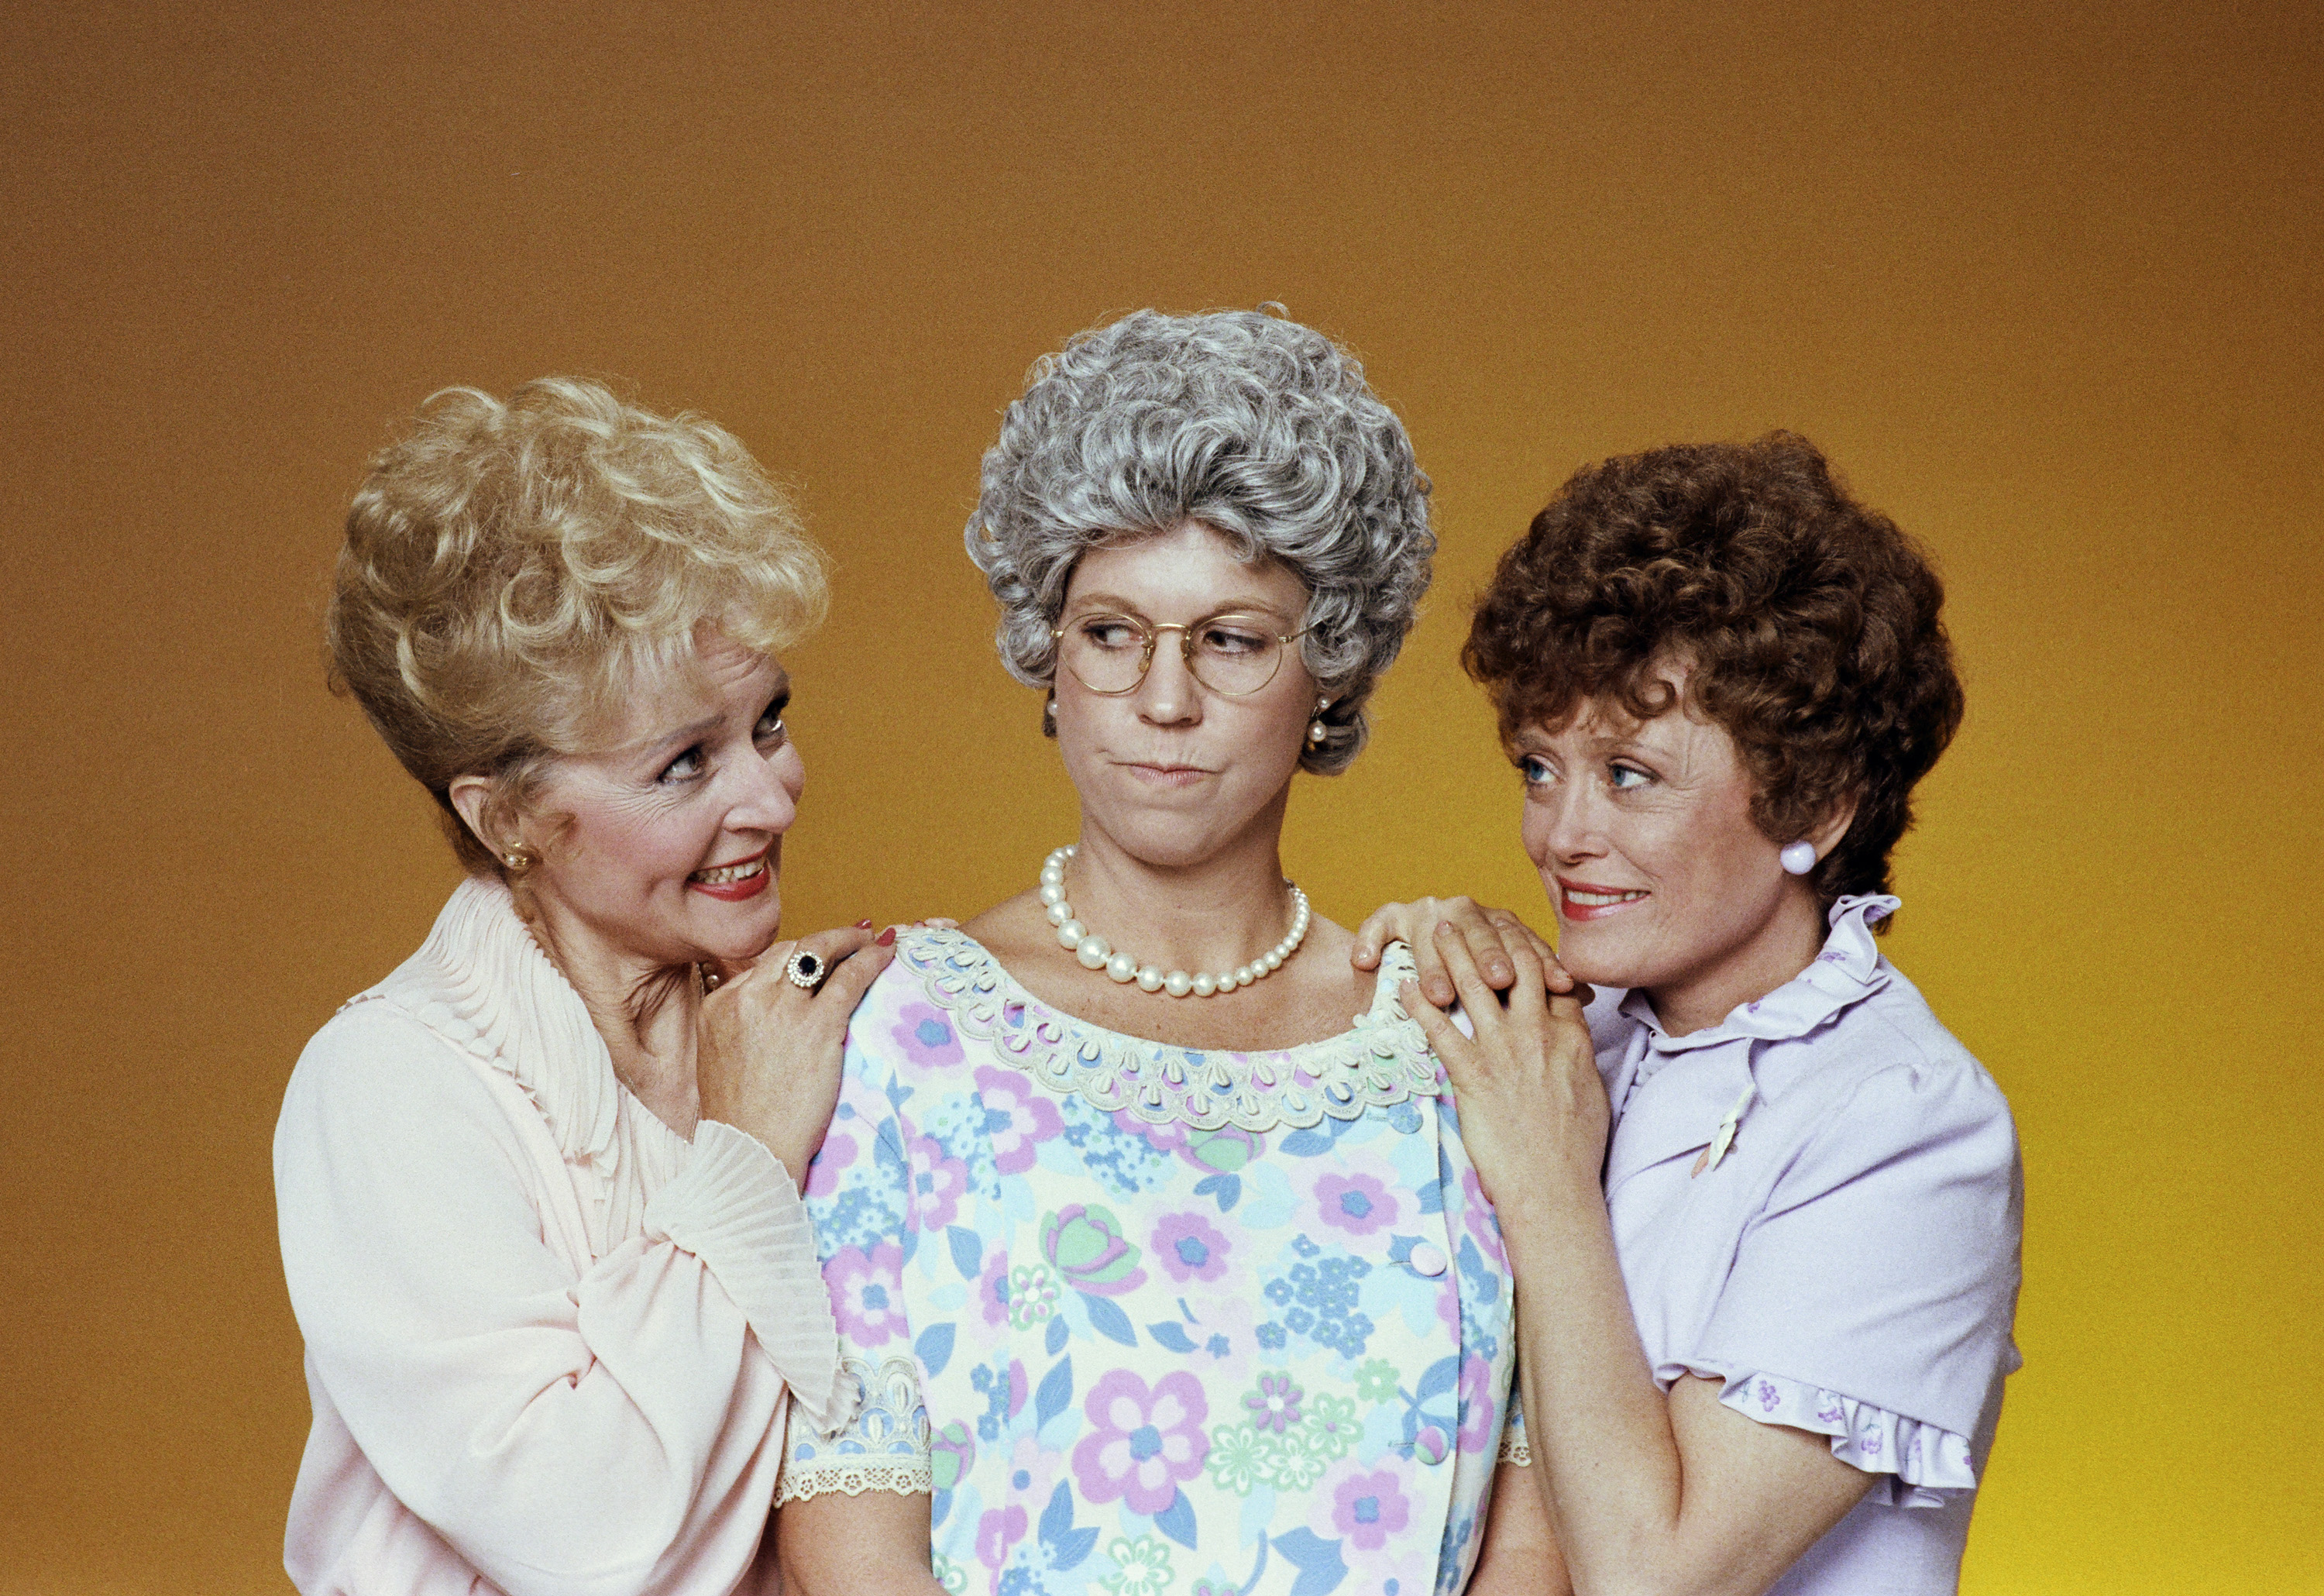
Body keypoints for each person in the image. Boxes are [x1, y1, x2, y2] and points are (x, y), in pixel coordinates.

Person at [772, 310, 1541, 1595]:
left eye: (1232, 640)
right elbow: (852, 1545)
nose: (1164, 700)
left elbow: (1533, 1530)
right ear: (1049, 656)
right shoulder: (896, 1030)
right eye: (1112, 632)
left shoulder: (1456, 1045)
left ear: (1331, 675)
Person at [275, 378, 894, 1594]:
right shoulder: (390, 1086)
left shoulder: (813, 1026)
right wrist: (751, 1160)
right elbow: (581, 1539)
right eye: (682, 765)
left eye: (768, 721)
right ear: (505, 814)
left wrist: (1384, 979)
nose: (770, 797)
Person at [1396, 433, 2022, 1595]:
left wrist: (1542, 1178)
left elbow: (1655, 1578)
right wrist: (1402, 996)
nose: (1561, 834)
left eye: (1629, 773)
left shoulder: (1909, 1124)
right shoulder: (1565, 1037)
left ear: (1820, 803)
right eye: (1540, 768)